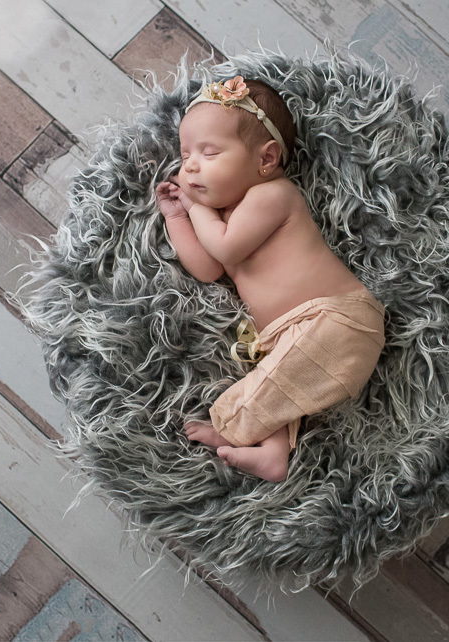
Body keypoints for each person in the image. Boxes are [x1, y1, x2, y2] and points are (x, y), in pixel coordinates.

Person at [155, 76, 386, 483]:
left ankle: (232, 426)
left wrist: (194, 209)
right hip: (292, 333)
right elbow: (209, 269)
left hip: (338, 321)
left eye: (209, 152)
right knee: (276, 381)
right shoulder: (222, 220)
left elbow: (225, 249)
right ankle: (274, 453)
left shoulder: (273, 196)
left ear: (266, 159)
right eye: (185, 153)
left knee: (273, 381)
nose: (188, 166)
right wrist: (176, 217)